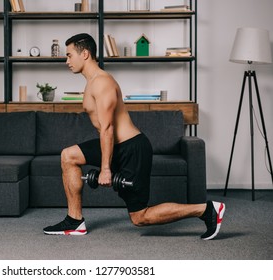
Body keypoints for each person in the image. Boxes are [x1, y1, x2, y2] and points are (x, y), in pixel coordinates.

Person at [43, 33, 225, 240]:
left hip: (132, 148)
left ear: (84, 54)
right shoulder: (91, 81)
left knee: (140, 217)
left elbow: (108, 128)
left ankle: (206, 209)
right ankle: (74, 220)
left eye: (69, 55)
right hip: (117, 146)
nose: (66, 61)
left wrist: (105, 169)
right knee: (68, 156)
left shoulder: (102, 83)